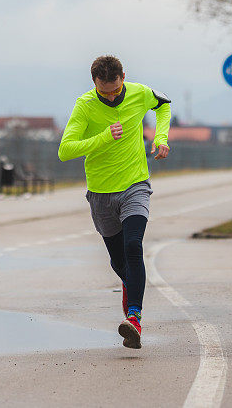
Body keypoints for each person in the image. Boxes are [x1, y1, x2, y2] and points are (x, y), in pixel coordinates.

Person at [58, 55, 171, 349]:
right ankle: (129, 285)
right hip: (100, 193)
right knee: (119, 261)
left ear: (124, 77)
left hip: (135, 184)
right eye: (104, 91)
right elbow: (65, 150)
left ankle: (134, 318)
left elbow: (163, 105)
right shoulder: (85, 105)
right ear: (94, 83)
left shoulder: (138, 93)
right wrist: (103, 137)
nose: (111, 96)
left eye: (115, 90)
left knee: (134, 246)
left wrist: (161, 138)